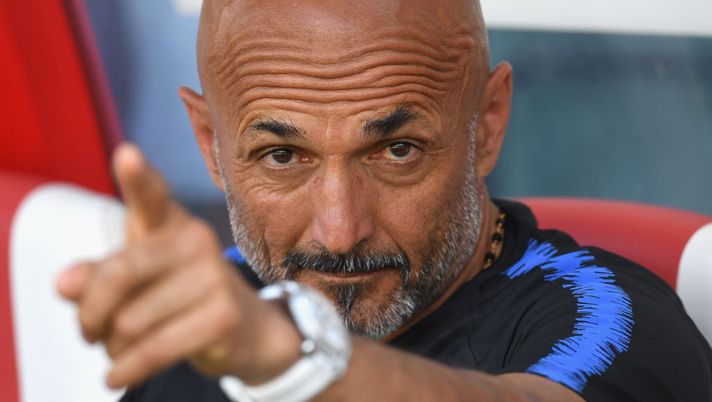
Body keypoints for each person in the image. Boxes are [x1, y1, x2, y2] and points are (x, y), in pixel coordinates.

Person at [56, 0, 711, 401]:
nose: (340, 230)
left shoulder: (607, 315)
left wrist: (291, 361)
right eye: (282, 156)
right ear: (210, 145)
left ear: (486, 123)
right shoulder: (212, 315)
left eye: (396, 151)